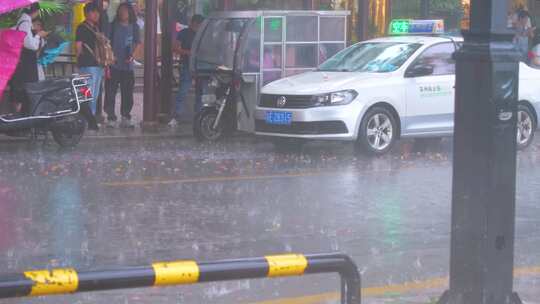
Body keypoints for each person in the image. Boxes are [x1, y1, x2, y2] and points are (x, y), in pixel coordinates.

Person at [104, 3, 141, 128]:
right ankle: (111, 117)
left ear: (130, 12)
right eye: (121, 10)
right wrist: (109, 57)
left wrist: (133, 55)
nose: (123, 13)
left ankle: (126, 116)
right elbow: (106, 43)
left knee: (127, 93)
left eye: (125, 10)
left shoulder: (134, 27)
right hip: (113, 65)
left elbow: (138, 43)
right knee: (110, 92)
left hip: (128, 66)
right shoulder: (112, 26)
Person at [9, 3, 48, 114]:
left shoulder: (22, 22)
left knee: (20, 94)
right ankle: (19, 122)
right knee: (23, 94)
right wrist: (38, 35)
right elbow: (31, 45)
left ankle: (21, 121)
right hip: (24, 67)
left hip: (22, 65)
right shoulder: (25, 23)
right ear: (35, 12)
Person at [168, 14, 204, 127]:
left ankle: (199, 117)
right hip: (187, 64)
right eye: (196, 24)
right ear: (192, 23)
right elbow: (175, 48)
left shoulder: (204, 34)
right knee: (183, 91)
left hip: (201, 66)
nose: (197, 26)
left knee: (201, 93)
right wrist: (189, 53)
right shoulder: (184, 33)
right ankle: (176, 117)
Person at [75, 3, 104, 116]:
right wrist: (79, 62)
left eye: (98, 12)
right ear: (86, 13)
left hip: (98, 65)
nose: (97, 14)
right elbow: (78, 45)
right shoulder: (81, 27)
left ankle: (90, 117)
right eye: (93, 12)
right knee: (87, 92)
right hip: (87, 65)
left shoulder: (96, 28)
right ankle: (85, 117)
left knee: (94, 94)